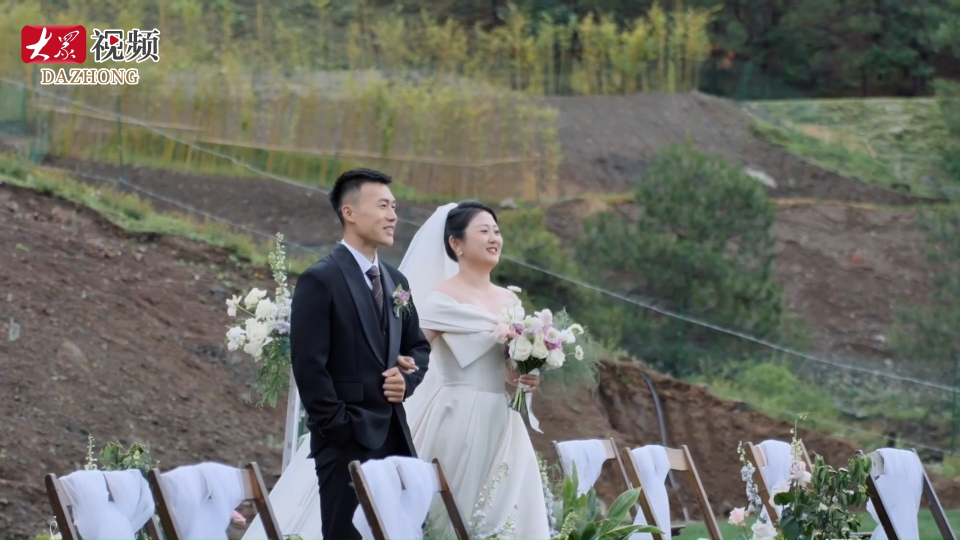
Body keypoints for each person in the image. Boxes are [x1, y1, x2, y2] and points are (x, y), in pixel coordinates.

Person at [289, 168, 431, 540]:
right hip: (346, 439)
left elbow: (417, 346)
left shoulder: (396, 281)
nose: (393, 216)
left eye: (394, 207)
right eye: (383, 206)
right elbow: (309, 366)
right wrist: (339, 427)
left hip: (395, 436)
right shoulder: (320, 279)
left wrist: (407, 380)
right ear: (349, 212)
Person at [398, 201, 551, 539]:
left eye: (496, 231)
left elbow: (508, 373)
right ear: (456, 243)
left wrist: (527, 374)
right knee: (451, 509)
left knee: (507, 508)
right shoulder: (441, 300)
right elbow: (411, 353)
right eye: (484, 231)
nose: (494, 238)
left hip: (502, 417)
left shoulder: (510, 302)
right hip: (456, 414)